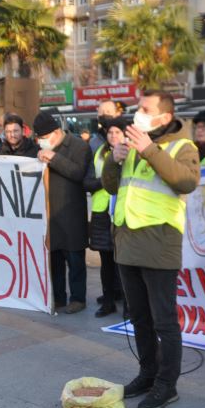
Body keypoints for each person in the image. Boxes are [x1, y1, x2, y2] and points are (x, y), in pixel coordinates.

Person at [101, 91, 200, 408]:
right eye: (138, 108)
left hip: (159, 243)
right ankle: (147, 372)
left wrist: (150, 150)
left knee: (164, 321)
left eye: (145, 109)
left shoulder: (182, 146)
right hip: (127, 242)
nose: (138, 113)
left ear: (165, 117)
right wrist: (113, 161)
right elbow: (113, 187)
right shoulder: (131, 145)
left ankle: (166, 385)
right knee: (139, 318)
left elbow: (185, 182)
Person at [34, 110, 92, 314]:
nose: (41, 142)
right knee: (55, 261)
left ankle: (78, 298)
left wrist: (54, 158)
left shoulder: (79, 146)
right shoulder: (40, 149)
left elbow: (78, 173)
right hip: (49, 214)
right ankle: (59, 298)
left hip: (71, 213)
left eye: (43, 137)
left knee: (75, 259)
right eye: (38, 138)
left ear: (56, 132)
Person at [84, 116, 127, 318]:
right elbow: (88, 183)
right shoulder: (99, 153)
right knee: (106, 262)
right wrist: (107, 179)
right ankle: (108, 300)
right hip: (102, 213)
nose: (113, 135)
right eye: (110, 132)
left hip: (124, 212)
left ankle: (129, 304)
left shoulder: (133, 152)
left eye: (117, 132)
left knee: (125, 263)